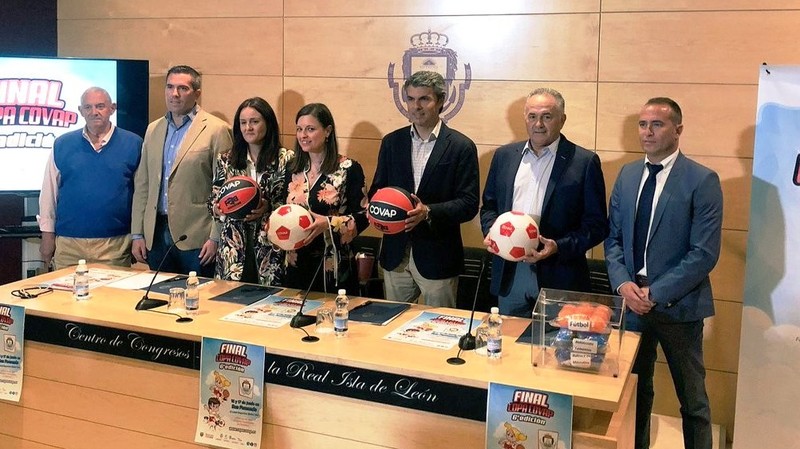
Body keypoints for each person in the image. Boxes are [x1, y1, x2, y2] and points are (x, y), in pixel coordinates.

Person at [605, 97, 722, 449]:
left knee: (693, 402)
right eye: (643, 124)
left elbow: (703, 254)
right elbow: (613, 239)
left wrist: (654, 294)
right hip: (631, 304)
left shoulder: (702, 180)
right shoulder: (627, 175)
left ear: (678, 130)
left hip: (679, 307)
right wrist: (623, 284)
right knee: (634, 394)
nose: (647, 131)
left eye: (657, 124)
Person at [480, 87, 608, 317]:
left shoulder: (584, 162)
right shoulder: (504, 156)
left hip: (560, 276)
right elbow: (489, 207)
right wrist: (493, 232)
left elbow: (596, 226)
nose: (538, 124)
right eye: (532, 116)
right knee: (508, 338)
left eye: (547, 117)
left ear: (562, 120)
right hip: (510, 274)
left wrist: (558, 246)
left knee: (555, 340)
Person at [368, 70, 479, 308]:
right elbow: (377, 190)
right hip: (396, 255)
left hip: (438, 256)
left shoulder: (461, 146)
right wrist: (373, 206)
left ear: (440, 101)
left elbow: (469, 204)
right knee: (392, 322)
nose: (416, 106)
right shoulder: (391, 142)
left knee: (439, 326)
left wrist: (428, 212)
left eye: (424, 99)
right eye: (410, 98)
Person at [131, 65, 233, 277]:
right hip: (156, 235)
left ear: (197, 93)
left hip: (198, 237)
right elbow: (143, 185)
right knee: (159, 294)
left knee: (199, 295)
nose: (174, 94)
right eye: (170, 87)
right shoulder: (153, 129)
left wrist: (216, 237)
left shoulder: (217, 130)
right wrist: (137, 233)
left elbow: (225, 189)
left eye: (182, 88)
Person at [38, 86, 143, 269]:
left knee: (113, 289)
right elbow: (49, 194)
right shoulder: (62, 144)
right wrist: (47, 235)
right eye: (88, 107)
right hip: (68, 245)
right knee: (64, 289)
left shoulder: (134, 144)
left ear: (112, 108)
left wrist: (138, 236)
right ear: (81, 111)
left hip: (115, 245)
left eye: (100, 106)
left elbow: (142, 195)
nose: (94, 112)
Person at [283, 103, 368, 295]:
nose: (303, 135)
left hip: (334, 263)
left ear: (327, 131)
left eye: (310, 129)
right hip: (296, 261)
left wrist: (329, 224)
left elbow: (365, 216)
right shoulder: (292, 168)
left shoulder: (348, 168)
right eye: (299, 129)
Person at [209, 97, 293, 285]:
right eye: (243, 123)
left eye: (254, 122)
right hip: (233, 250)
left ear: (268, 123)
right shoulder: (226, 159)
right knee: (230, 299)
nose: (248, 128)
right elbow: (213, 200)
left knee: (270, 300)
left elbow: (293, 205)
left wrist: (268, 207)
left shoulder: (286, 159)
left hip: (271, 248)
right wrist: (217, 208)